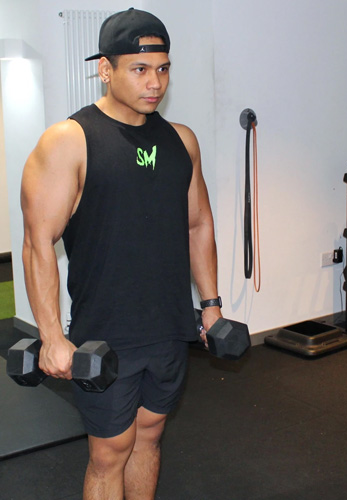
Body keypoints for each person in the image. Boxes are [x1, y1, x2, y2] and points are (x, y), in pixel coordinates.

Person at [20, 8, 222, 499]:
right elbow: (37, 242)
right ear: (105, 68)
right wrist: (50, 335)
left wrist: (211, 306)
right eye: (139, 69)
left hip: (170, 325)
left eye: (163, 68)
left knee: (150, 435)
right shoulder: (70, 141)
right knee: (110, 451)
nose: (155, 82)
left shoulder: (181, 141)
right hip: (106, 333)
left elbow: (199, 224)